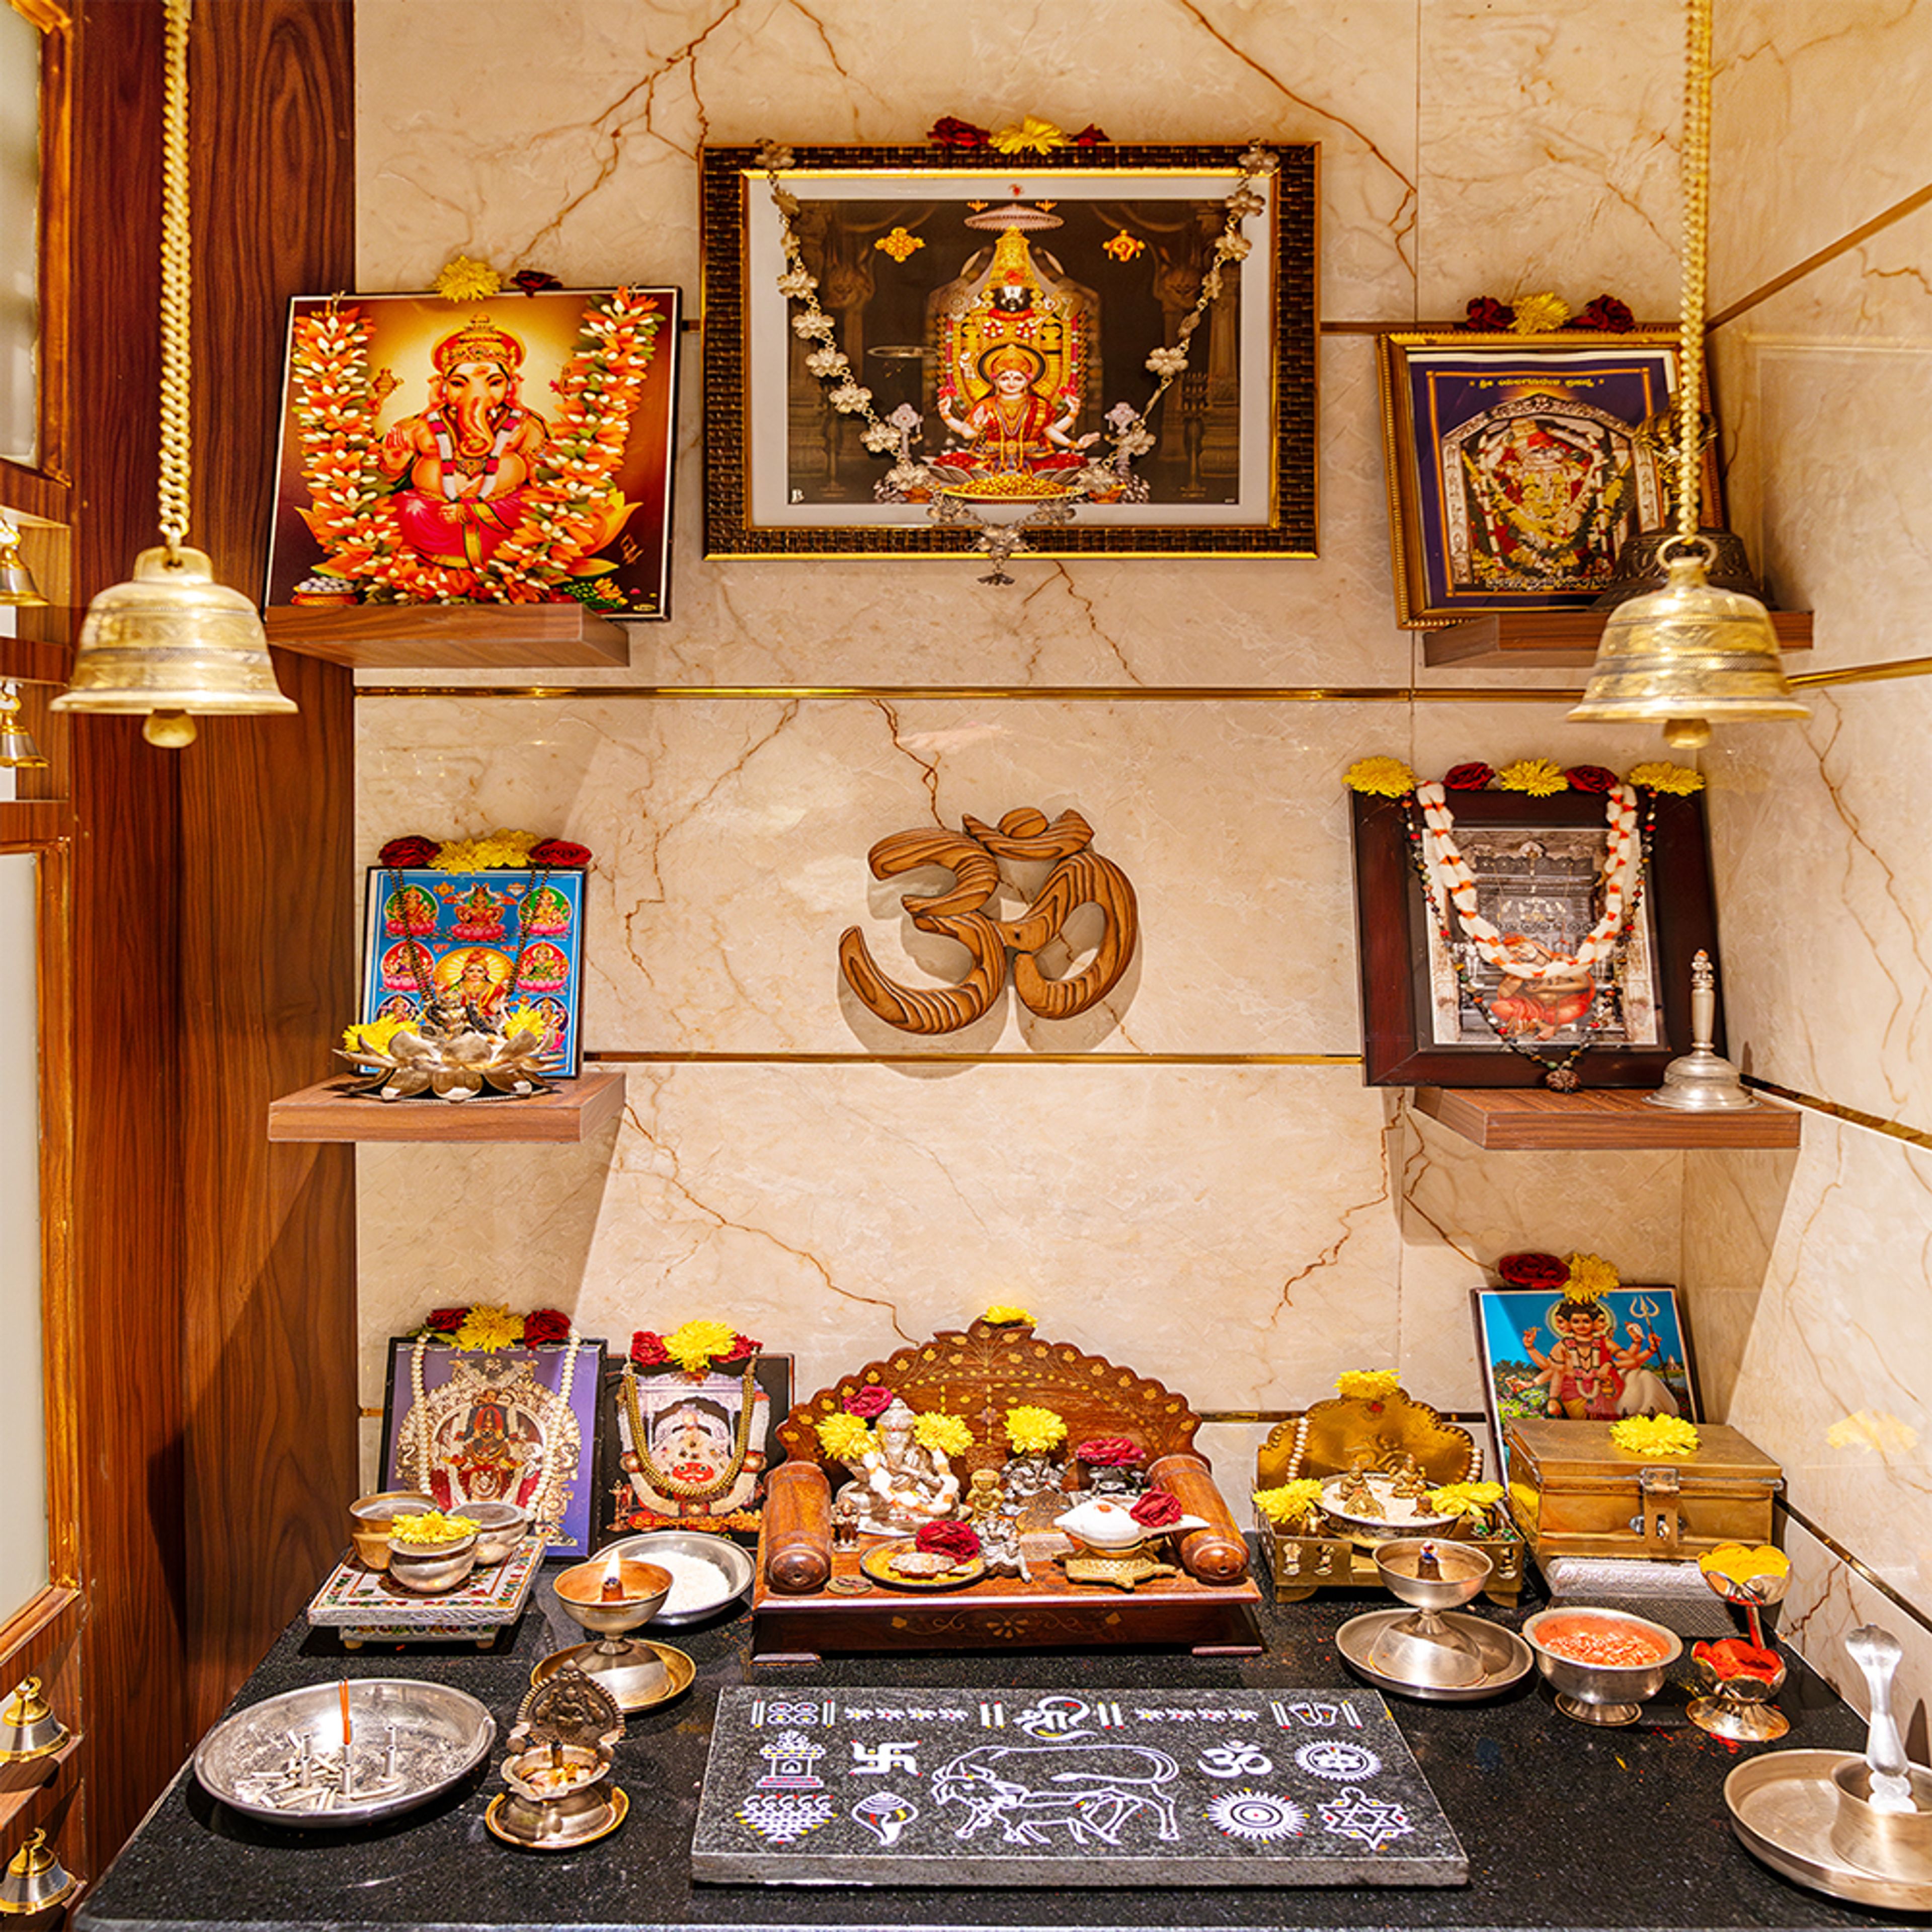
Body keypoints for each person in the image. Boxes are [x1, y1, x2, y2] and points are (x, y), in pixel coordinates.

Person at [376, 313, 548, 571]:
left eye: (495, 382)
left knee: (532, 506)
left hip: (502, 512)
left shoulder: (525, 425)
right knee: (406, 508)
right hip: (432, 515)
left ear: (510, 387)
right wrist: (393, 467)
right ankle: (421, 571)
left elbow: (542, 480)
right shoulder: (417, 426)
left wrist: (541, 470)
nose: (475, 396)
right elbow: (383, 480)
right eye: (459, 383)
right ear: (443, 387)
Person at [938, 343, 1097, 476]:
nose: (1011, 383)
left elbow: (1050, 431)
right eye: (1005, 378)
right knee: (948, 465)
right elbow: (968, 433)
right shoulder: (986, 405)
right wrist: (947, 414)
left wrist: (1075, 441)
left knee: (1076, 465)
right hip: (988, 459)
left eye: (1018, 378)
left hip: (1035, 458)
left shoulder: (1039, 405)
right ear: (996, 382)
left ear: (1027, 382)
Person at [841, 1397, 960, 1535]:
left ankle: (911, 1511)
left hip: (916, 1493)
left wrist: (920, 1474)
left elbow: (940, 1482)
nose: (895, 1439)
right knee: (854, 1500)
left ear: (912, 1437)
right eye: (889, 1435)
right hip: (881, 1499)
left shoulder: (920, 1452)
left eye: (902, 1435)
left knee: (951, 1500)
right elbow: (869, 1479)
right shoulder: (872, 1451)